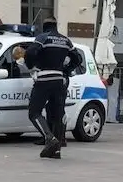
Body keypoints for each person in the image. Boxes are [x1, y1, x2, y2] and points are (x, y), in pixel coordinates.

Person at [24, 17, 81, 159]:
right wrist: (66, 70)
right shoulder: (65, 40)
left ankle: (50, 139)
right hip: (59, 80)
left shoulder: (42, 38)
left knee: (34, 112)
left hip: (44, 78)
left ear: (45, 26)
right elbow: (77, 59)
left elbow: (30, 53)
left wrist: (31, 66)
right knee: (57, 113)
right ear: (56, 25)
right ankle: (56, 150)